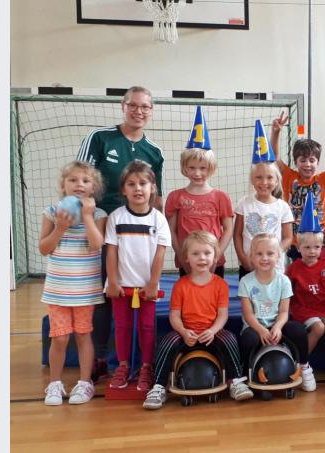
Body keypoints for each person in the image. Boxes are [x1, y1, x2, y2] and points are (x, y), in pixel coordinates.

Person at [77, 86, 165, 382]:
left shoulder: (154, 151)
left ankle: (140, 364)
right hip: (103, 228)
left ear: (151, 111)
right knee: (105, 294)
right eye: (134, 105)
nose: (139, 111)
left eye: (145, 107)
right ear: (123, 106)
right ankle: (102, 357)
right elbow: (81, 181)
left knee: (132, 301)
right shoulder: (100, 138)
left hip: (139, 232)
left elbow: (158, 197)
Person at [143, 231, 254, 409]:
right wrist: (184, 332)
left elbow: (222, 315)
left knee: (230, 339)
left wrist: (213, 331)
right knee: (167, 341)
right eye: (195, 254)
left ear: (215, 256)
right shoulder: (181, 285)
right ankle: (158, 386)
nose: (202, 258)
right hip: (187, 333)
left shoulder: (220, 284)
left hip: (211, 333)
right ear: (186, 258)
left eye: (207, 253)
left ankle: (236, 381)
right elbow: (174, 316)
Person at [39, 161, 107, 405]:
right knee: (59, 338)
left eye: (85, 181)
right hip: (58, 290)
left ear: (93, 188)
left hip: (85, 291)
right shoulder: (51, 211)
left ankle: (84, 382)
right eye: (73, 180)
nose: (79, 184)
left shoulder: (98, 215)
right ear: (63, 185)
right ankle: (54, 384)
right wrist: (60, 227)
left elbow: (97, 245)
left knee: (83, 336)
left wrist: (87, 216)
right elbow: (44, 248)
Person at [104, 161, 170, 391]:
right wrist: (112, 281)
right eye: (131, 184)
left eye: (143, 183)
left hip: (147, 287)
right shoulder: (116, 217)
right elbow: (111, 251)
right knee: (121, 326)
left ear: (153, 188)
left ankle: (146, 366)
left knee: (147, 327)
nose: (138, 188)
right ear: (123, 190)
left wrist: (153, 283)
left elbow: (160, 255)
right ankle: (123, 365)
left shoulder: (158, 219)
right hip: (121, 286)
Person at [270, 112, 325, 260]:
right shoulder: (289, 177)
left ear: (317, 162)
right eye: (303, 160)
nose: (307, 164)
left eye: (312, 160)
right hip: (297, 242)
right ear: (296, 161)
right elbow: (275, 157)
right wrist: (276, 132)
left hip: (322, 241)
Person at [286, 194, 325, 389]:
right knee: (319, 328)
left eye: (316, 247)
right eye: (307, 247)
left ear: (322, 247)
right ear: (299, 247)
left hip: (322, 307)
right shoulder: (294, 268)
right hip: (304, 309)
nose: (312, 251)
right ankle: (300, 362)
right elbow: (287, 293)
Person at [237, 234, 314, 392]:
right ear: (251, 256)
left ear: (279, 255)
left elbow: (284, 311)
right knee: (247, 339)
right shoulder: (245, 281)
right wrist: (261, 330)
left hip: (277, 325)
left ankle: (304, 367)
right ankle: (244, 375)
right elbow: (248, 315)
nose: (264, 258)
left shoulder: (283, 281)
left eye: (270, 253)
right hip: (256, 327)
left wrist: (278, 327)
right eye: (259, 254)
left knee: (298, 331)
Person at [165, 108, 233, 278]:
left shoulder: (220, 197)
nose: (197, 173)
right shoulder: (175, 197)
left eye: (202, 168)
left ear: (211, 168)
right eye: (192, 168)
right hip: (187, 261)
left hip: (214, 261)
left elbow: (228, 229)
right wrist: (181, 255)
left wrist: (217, 254)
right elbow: (171, 230)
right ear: (184, 168)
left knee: (213, 300)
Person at [234, 162, 294, 279]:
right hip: (249, 264)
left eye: (269, 177)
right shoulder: (244, 203)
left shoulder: (283, 207)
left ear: (277, 181)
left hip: (274, 266)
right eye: (259, 177)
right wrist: (242, 258)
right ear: (252, 179)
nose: (264, 182)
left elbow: (288, 237)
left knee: (273, 296)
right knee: (249, 295)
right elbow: (237, 234)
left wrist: (274, 254)